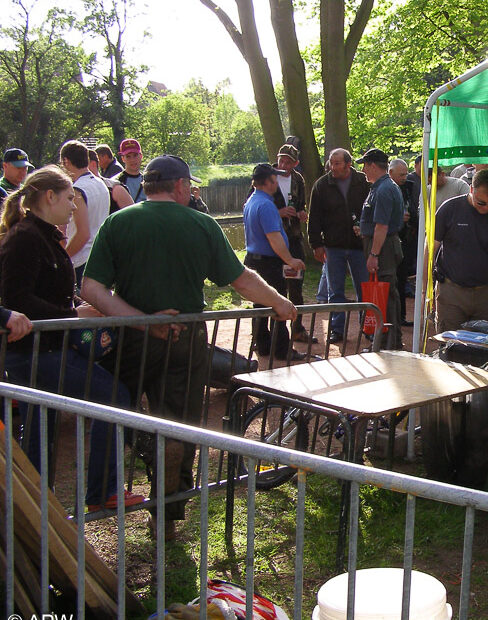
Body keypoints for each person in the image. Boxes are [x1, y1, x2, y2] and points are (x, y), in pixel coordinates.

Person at [81, 154, 297, 539]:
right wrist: (279, 302)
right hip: (184, 339)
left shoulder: (117, 223)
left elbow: (92, 288)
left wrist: (138, 320)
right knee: (180, 424)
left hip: (132, 339)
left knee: (118, 412)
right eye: (189, 186)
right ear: (180, 186)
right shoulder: (200, 224)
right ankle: (166, 512)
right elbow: (242, 279)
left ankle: (132, 462)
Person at [0, 165, 144, 511]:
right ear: (48, 197)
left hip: (45, 348)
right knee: (112, 396)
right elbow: (16, 299)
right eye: (68, 198)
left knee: (40, 425)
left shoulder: (42, 236)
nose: (73, 206)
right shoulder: (24, 238)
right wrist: (73, 315)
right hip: (38, 351)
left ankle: (37, 505)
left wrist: (75, 305)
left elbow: (43, 293)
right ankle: (102, 492)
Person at [432, 169, 488, 332]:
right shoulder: (449, 209)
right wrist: (424, 289)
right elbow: (430, 249)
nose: (486, 208)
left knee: (483, 348)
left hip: (485, 291)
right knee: (449, 345)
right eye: (481, 202)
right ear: (471, 190)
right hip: (451, 291)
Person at [242, 163, 306, 361]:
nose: (277, 182)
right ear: (268, 182)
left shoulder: (252, 201)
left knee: (260, 304)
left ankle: (263, 345)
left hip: (254, 259)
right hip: (269, 263)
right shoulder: (267, 205)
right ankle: (281, 349)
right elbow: (274, 238)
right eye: (274, 179)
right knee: (278, 303)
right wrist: (290, 260)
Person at [307, 148, 371, 342]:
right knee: (335, 290)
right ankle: (337, 329)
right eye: (331, 163)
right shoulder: (321, 185)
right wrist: (316, 244)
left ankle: (367, 327)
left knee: (364, 288)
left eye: (337, 163)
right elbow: (314, 218)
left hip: (359, 246)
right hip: (333, 246)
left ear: (348, 164)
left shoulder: (363, 183)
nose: (332, 167)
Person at [358, 148, 405, 350]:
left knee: (386, 296)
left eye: (365, 165)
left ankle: (389, 344)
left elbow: (382, 226)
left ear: (373, 165)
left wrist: (374, 254)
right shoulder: (381, 187)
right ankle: (388, 341)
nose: (363, 169)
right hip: (381, 244)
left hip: (383, 247)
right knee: (387, 294)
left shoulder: (384, 189)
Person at [272, 143, 315, 344]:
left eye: (288, 161)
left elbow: (301, 206)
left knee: (295, 287)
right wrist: (279, 213)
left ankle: (297, 330)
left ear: (295, 163)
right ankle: (271, 335)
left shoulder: (298, 179)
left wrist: (301, 214)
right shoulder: (267, 176)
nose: (283, 164)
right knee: (274, 287)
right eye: (281, 159)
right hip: (272, 243)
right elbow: (252, 204)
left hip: (293, 241)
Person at [58, 140, 110, 286]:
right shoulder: (100, 183)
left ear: (66, 161)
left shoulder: (77, 190)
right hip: (100, 256)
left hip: (81, 260)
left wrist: (63, 259)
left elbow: (83, 234)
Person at [389, 158, 418, 327]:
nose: (404, 177)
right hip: (391, 241)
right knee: (393, 281)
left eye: (406, 173)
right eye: (401, 174)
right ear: (390, 173)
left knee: (402, 280)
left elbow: (416, 210)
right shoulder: (384, 188)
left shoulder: (409, 188)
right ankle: (392, 317)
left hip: (407, 241)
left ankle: (400, 316)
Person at [87, 148, 134, 212]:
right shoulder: (107, 169)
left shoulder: (115, 170)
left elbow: (131, 212)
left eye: (99, 158)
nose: (99, 162)